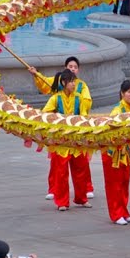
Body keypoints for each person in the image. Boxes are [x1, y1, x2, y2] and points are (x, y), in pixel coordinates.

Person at [28, 56, 94, 201]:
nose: (73, 69)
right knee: (59, 166)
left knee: (81, 165)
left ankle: (84, 192)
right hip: (61, 136)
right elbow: (45, 86)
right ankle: (56, 193)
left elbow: (86, 105)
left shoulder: (81, 88)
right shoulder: (56, 94)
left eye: (75, 67)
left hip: (76, 135)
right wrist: (36, 75)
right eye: (70, 66)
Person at [41, 69, 93, 211]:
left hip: (76, 140)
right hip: (61, 141)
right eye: (70, 81)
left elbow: (83, 116)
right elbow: (45, 114)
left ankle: (82, 199)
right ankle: (62, 202)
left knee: (81, 170)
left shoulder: (79, 98)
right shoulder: (55, 98)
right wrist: (58, 118)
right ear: (64, 83)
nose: (73, 84)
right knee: (61, 172)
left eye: (74, 81)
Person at [101, 80, 130, 225]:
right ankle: (116, 214)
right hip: (113, 154)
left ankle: (124, 210)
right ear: (122, 93)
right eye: (128, 91)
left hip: (125, 153)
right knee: (114, 184)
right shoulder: (117, 111)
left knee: (124, 183)